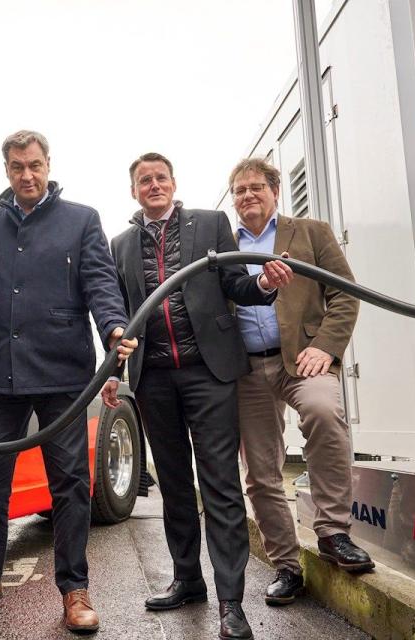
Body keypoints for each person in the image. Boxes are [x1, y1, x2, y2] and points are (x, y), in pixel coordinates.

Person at [0, 130, 137, 633]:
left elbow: (100, 282)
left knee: (71, 484)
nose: (27, 175)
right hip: (2, 375)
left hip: (63, 375)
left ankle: (74, 590)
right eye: (17, 167)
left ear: (48, 164)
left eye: (34, 165)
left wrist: (114, 327)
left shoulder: (81, 220)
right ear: (7, 170)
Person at [103, 152, 292, 640]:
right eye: (144, 180)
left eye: (160, 177)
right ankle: (188, 580)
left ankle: (231, 601)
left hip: (209, 372)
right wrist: (110, 369)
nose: (154, 185)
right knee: (173, 483)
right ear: (134, 191)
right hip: (154, 378)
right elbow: (119, 312)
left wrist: (263, 284)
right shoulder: (120, 243)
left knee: (221, 485)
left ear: (173, 182)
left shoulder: (210, 224)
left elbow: (235, 284)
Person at [229, 157, 372, 607]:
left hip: (304, 360)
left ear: (275, 191)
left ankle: (332, 533)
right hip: (247, 369)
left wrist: (327, 347)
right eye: (239, 190)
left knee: (324, 413)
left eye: (256, 187)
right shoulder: (223, 246)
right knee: (260, 471)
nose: (247, 195)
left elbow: (345, 293)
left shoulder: (310, 232)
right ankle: (287, 565)